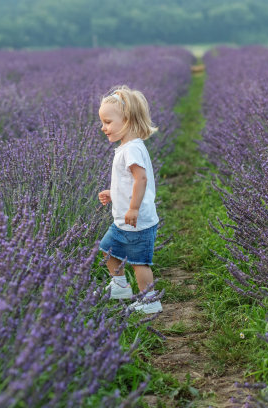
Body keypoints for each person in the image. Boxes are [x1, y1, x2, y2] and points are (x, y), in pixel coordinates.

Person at [97, 85, 162, 314]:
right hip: (123, 221)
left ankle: (150, 300)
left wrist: (133, 208)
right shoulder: (128, 147)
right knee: (107, 249)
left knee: (139, 263)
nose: (103, 127)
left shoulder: (132, 149)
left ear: (127, 120)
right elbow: (127, 183)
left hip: (137, 221)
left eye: (108, 122)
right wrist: (113, 194)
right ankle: (120, 285)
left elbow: (140, 180)